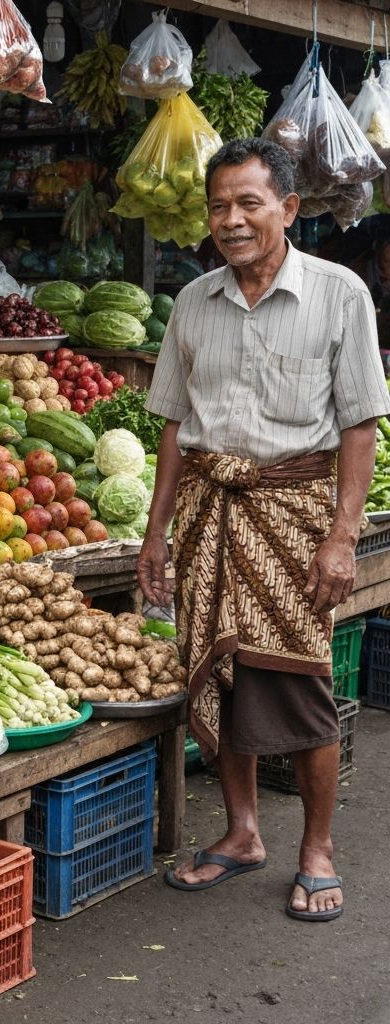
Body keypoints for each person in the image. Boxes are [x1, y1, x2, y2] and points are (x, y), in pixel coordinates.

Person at [137, 137, 390, 923]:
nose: (232, 220)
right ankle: (242, 833)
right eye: (219, 206)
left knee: (301, 680)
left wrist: (343, 536)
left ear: (288, 207)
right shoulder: (193, 302)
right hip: (208, 516)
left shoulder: (339, 293)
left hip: (293, 517)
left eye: (249, 203)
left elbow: (360, 425)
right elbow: (173, 425)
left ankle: (317, 849)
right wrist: (155, 532)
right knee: (221, 672)